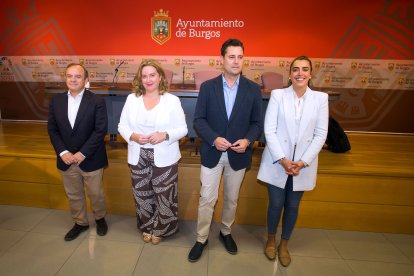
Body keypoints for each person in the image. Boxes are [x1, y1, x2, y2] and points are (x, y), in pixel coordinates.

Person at [188, 38, 263, 262]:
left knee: (231, 199)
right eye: (231, 56)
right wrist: (213, 138)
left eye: (240, 57)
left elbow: (257, 124)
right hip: (212, 152)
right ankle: (201, 238)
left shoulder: (253, 89)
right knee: (206, 198)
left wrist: (248, 141)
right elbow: (198, 120)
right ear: (222, 60)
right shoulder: (208, 87)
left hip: (238, 155)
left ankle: (226, 232)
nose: (236, 61)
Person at [257, 56, 329, 266]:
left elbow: (321, 133)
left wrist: (303, 161)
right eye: (296, 69)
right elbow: (269, 129)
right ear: (289, 74)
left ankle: (284, 244)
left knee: (292, 206)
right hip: (277, 161)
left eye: (305, 69)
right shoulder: (278, 95)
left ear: (310, 73)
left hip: (303, 164)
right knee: (276, 203)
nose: (300, 73)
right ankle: (271, 240)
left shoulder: (320, 99)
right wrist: (283, 159)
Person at [118, 60, 187, 245]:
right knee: (142, 194)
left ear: (160, 77)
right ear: (140, 79)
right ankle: (147, 225)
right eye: (144, 76)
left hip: (164, 155)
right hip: (138, 154)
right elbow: (122, 125)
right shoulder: (132, 99)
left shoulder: (172, 101)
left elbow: (183, 129)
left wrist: (164, 135)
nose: (148, 79)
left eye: (152, 75)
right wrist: (132, 136)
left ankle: (163, 228)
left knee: (165, 195)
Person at [48, 63, 109, 241]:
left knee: (96, 193)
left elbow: (100, 130)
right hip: (66, 159)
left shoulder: (97, 101)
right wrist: (62, 152)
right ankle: (80, 223)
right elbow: (53, 129)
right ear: (65, 78)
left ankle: (100, 219)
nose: (73, 79)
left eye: (78, 76)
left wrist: (82, 153)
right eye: (69, 76)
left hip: (91, 158)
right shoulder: (56, 101)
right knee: (73, 194)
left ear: (86, 80)